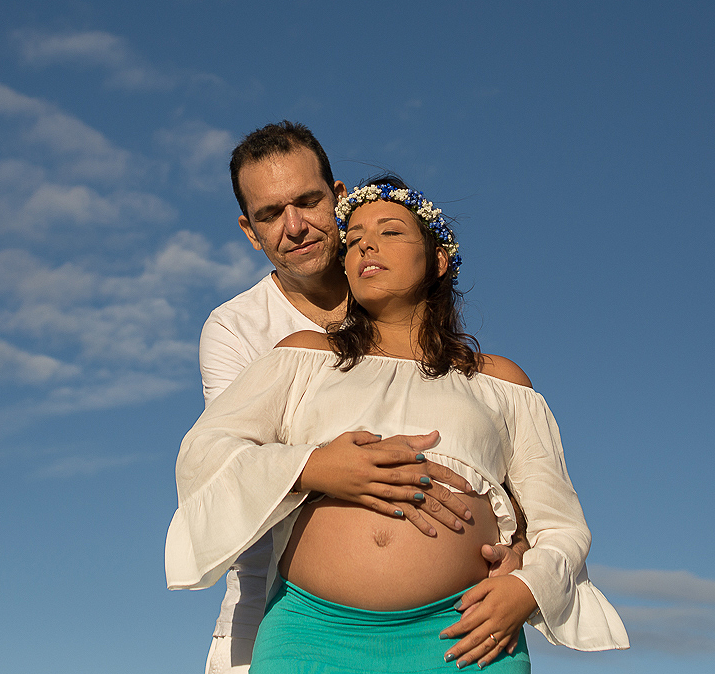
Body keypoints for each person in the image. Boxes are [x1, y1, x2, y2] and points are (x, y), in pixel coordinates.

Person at [168, 177, 629, 672]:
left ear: (438, 260)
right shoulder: (302, 357)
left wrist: (527, 586)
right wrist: (314, 467)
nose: (366, 245)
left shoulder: (501, 382)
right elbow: (203, 455)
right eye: (353, 239)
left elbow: (560, 523)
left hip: (468, 635)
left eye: (390, 232)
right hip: (311, 635)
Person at [197, 123, 526, 674]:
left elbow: (493, 452)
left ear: (338, 196)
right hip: (285, 613)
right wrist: (321, 466)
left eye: (308, 202)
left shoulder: (394, 282)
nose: (295, 227)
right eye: (271, 214)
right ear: (250, 231)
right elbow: (221, 462)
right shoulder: (236, 329)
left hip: (457, 626)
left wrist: (523, 554)